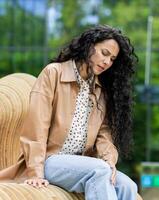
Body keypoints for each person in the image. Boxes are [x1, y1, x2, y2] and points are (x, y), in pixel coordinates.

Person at [0, 25, 141, 200]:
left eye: (112, 59)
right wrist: (36, 172)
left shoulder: (99, 91)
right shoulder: (54, 73)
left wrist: (110, 161)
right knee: (99, 170)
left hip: (82, 162)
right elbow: (37, 126)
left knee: (128, 186)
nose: (107, 62)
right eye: (104, 53)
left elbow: (104, 134)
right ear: (89, 46)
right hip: (50, 160)